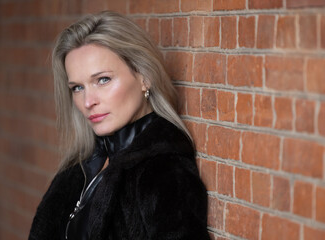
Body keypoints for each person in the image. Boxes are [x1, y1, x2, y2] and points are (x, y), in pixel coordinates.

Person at [29, 11, 210, 240]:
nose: (87, 102)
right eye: (77, 87)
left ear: (145, 76)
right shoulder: (84, 165)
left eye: (102, 80)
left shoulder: (163, 170)